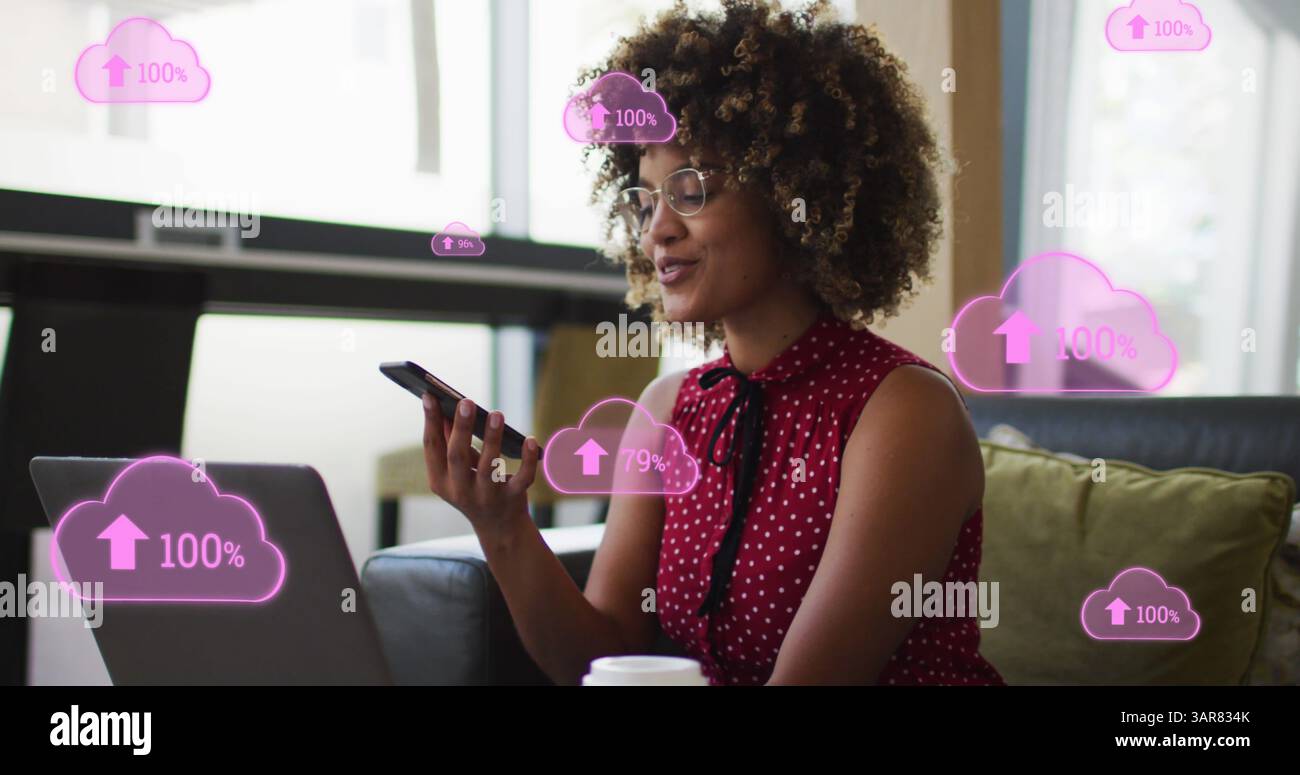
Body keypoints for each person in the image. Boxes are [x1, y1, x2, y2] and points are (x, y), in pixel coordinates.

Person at [420, 0, 1004, 686]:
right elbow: (599, 657)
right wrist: (504, 525)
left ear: (795, 194)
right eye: (644, 200)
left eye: (691, 189)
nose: (656, 229)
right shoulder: (667, 409)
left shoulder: (903, 411)